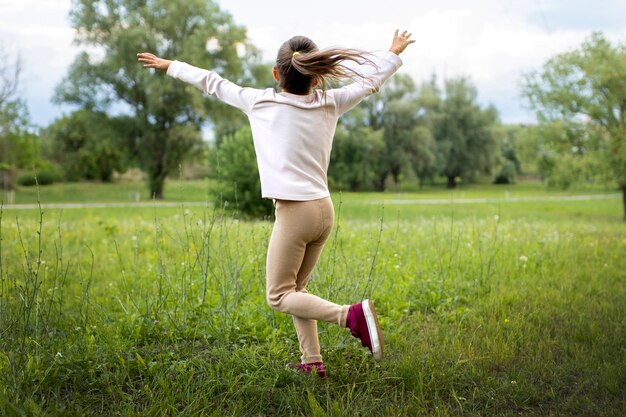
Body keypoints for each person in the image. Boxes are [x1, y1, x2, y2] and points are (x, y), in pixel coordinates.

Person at [137, 29, 414, 378]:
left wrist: (169, 65)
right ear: (316, 76)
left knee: (279, 295)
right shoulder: (330, 102)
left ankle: (351, 316)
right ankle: (312, 363)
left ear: (275, 73)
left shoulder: (259, 101)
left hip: (295, 213)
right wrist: (392, 53)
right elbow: (370, 83)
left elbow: (211, 82)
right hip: (324, 210)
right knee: (298, 290)